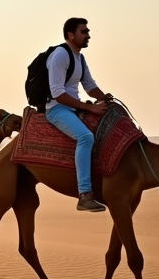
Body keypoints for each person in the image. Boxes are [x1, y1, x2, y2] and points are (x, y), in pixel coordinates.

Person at [45, 17, 113, 212]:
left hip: (73, 108)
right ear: (70, 35)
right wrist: (89, 107)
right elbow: (57, 92)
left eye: (88, 31)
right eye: (84, 31)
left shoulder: (79, 58)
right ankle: (84, 194)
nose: (88, 35)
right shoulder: (60, 55)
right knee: (85, 137)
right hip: (56, 109)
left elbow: (89, 85)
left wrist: (105, 98)